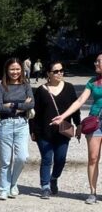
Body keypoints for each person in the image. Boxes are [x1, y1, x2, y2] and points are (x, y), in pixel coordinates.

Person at [51, 53, 102, 204]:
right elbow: (80, 101)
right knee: (93, 158)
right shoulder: (92, 82)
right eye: (96, 61)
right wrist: (63, 116)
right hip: (96, 122)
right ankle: (93, 192)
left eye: (99, 62)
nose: (95, 64)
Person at [30, 61, 81, 199]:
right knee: (46, 159)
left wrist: (79, 125)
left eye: (61, 70)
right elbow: (34, 113)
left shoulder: (69, 88)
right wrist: (32, 130)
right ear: (48, 74)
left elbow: (75, 109)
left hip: (63, 132)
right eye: (56, 71)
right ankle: (45, 186)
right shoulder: (41, 90)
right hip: (44, 131)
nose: (59, 73)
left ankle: (54, 178)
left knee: (61, 159)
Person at [0, 57, 34, 200]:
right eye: (12, 69)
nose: (15, 72)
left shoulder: (26, 86)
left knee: (22, 157)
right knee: (6, 160)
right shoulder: (1, 87)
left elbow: (31, 105)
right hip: (4, 125)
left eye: (17, 69)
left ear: (21, 70)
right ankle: (4, 189)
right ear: (7, 70)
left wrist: (11, 105)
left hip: (22, 124)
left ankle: (13, 182)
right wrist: (20, 104)